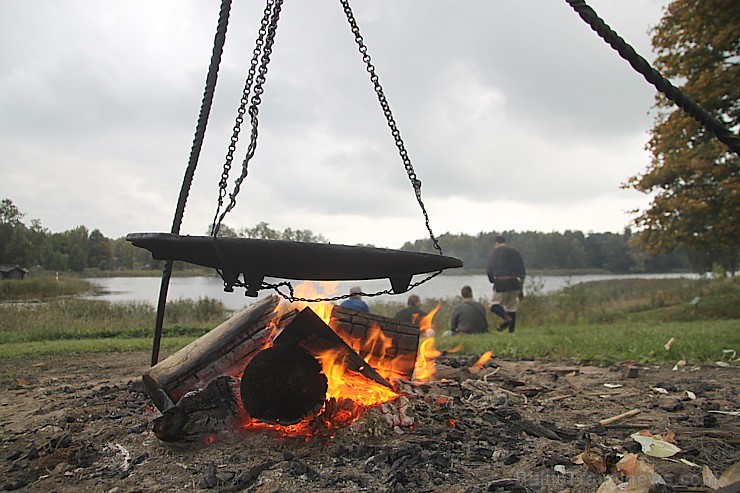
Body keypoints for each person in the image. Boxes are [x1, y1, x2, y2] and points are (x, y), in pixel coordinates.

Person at [486, 235, 525, 332]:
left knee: (494, 305)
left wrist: (493, 281)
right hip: (515, 282)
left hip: (501, 282)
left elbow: (489, 270)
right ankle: (511, 331)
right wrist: (521, 288)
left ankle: (506, 319)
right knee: (511, 307)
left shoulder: (494, 253)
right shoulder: (515, 252)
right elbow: (522, 272)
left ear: (496, 243)